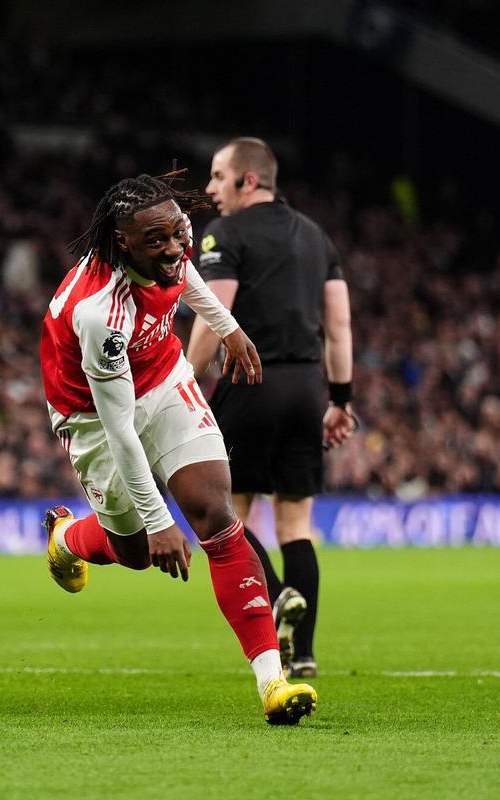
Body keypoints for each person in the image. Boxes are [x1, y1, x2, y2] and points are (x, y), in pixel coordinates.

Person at [41, 173, 318, 725]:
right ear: (123, 243)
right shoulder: (100, 312)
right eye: (157, 240)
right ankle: (67, 537)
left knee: (216, 513)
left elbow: (184, 275)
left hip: (164, 377)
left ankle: (273, 684)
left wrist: (229, 328)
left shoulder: (166, 249)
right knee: (140, 550)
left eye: (179, 233)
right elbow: (121, 431)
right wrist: (157, 518)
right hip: (94, 415)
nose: (173, 248)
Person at [186, 137, 355, 678]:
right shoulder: (315, 235)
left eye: (218, 176)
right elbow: (340, 325)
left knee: (224, 513)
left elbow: (215, 314)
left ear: (248, 180)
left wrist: (185, 381)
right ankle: (302, 653)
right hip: (308, 386)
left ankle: (278, 596)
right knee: (296, 524)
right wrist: (341, 399)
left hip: (250, 381)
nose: (210, 188)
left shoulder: (224, 234)